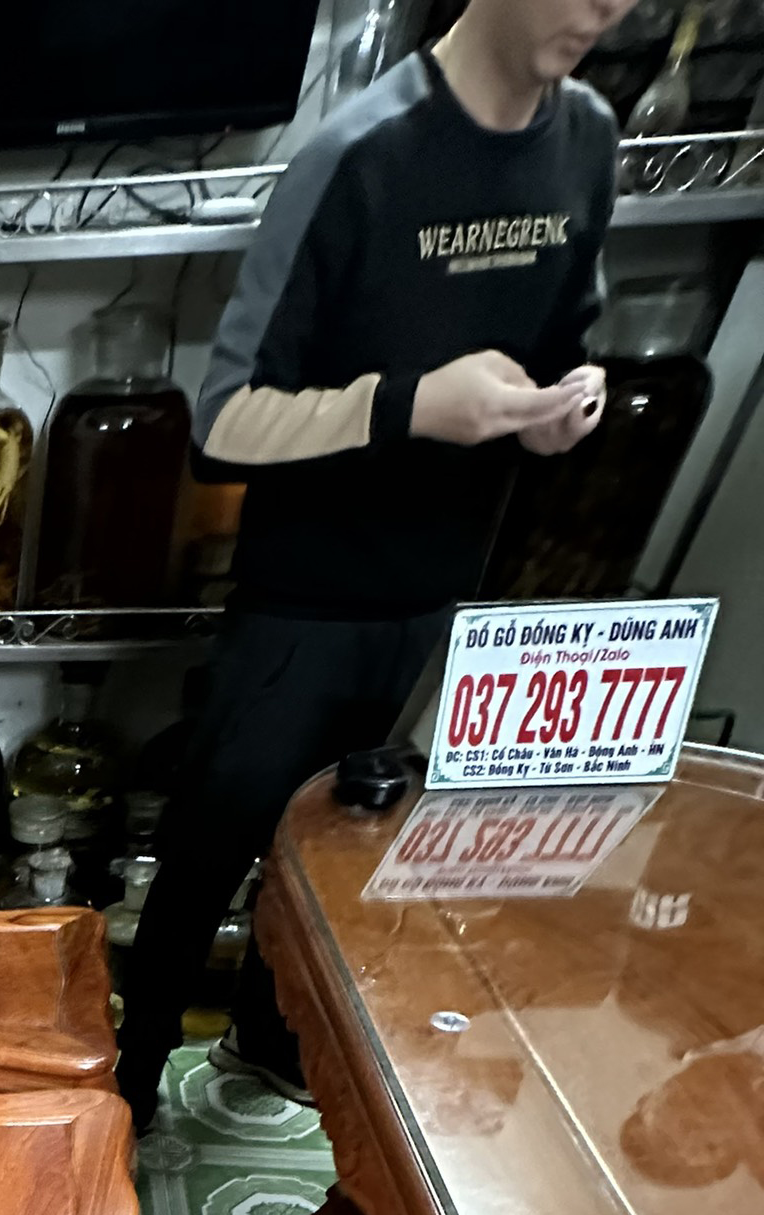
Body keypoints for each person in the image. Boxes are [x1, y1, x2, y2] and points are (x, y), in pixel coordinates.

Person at [115, 0, 634, 1132]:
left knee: (371, 883)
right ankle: (131, 1084)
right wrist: (407, 407)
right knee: (210, 854)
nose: (610, 8)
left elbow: (563, 346)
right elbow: (224, 421)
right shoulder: (357, 153)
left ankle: (273, 1043)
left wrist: (564, 405)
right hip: (302, 605)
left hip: (453, 602)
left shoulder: (589, 140)